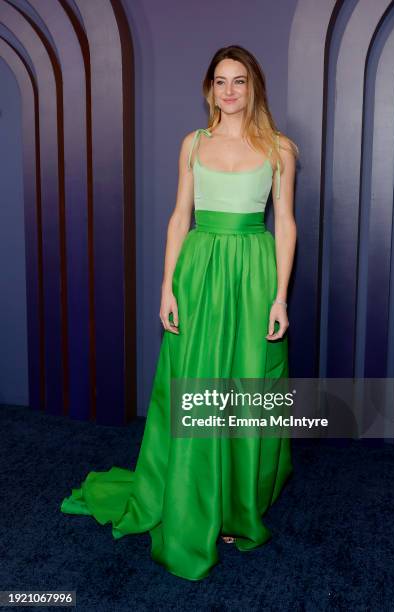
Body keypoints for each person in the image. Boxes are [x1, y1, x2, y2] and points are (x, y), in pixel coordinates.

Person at [60, 44, 298, 581]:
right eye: (220, 81)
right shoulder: (192, 143)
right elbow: (178, 218)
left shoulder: (280, 148)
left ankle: (239, 506)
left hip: (254, 275)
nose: (230, 91)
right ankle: (191, 498)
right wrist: (166, 286)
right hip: (198, 272)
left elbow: (285, 223)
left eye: (239, 81)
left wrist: (281, 295)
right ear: (209, 88)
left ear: (254, 86)